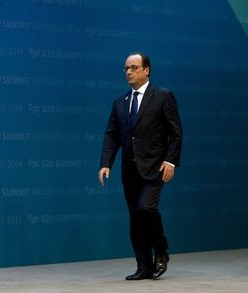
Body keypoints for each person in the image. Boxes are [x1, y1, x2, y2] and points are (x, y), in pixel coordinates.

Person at [98, 52, 183, 280]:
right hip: (130, 170)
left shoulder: (163, 96)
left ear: (147, 70)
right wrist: (106, 163)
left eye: (134, 67)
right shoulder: (120, 103)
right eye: (126, 68)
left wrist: (170, 160)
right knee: (136, 218)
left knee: (146, 209)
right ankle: (144, 266)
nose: (129, 72)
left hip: (155, 167)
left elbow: (176, 133)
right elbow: (111, 135)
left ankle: (162, 251)